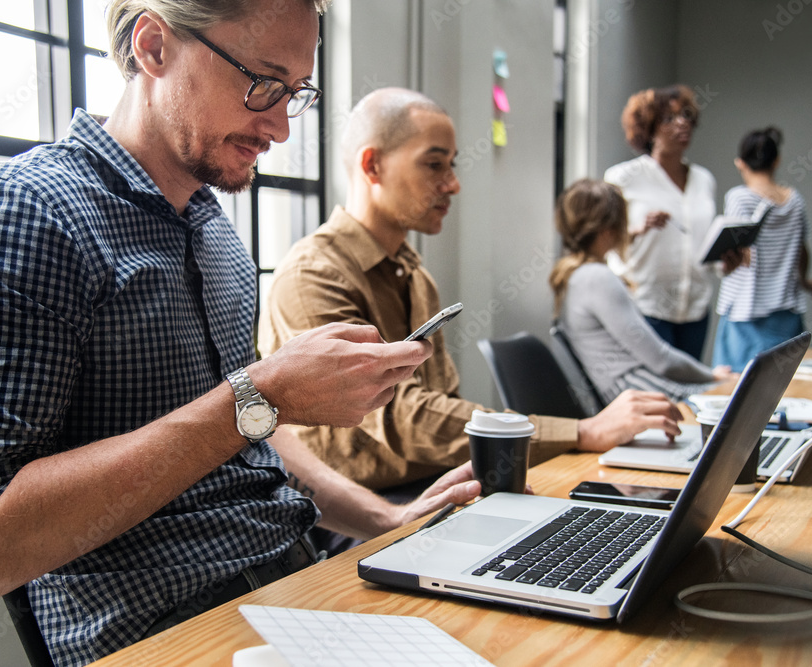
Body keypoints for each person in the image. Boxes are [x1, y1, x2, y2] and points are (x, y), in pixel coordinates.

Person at [0, 3, 482, 665]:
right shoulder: (21, 218)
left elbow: (256, 427)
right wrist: (256, 396)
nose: (280, 127)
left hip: (294, 583)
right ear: (153, 47)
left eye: (294, 93)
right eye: (261, 81)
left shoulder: (214, 233)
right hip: (165, 630)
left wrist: (384, 519)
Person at [258, 88, 683, 543]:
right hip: (355, 517)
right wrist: (581, 430)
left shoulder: (416, 275)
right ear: (372, 165)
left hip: (432, 487)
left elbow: (442, 405)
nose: (453, 183)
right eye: (434, 164)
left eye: (453, 165)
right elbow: (404, 418)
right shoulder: (312, 277)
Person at [550, 179, 732, 403]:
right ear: (609, 231)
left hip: (635, 391)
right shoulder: (597, 278)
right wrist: (714, 376)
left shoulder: (576, 275)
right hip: (640, 394)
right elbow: (662, 360)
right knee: (741, 400)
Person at [604, 84, 716, 360]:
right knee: (655, 394)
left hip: (695, 307)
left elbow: (702, 242)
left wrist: (727, 258)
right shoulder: (622, 178)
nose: (682, 123)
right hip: (646, 307)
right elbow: (603, 239)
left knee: (688, 393)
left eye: (687, 116)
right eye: (669, 118)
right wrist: (638, 228)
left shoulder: (704, 180)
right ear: (649, 129)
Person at [712, 127, 812, 372]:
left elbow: (735, 251)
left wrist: (722, 265)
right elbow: (802, 251)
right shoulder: (795, 200)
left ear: (740, 163)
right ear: (776, 161)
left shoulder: (740, 198)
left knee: (736, 390)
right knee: (783, 385)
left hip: (745, 312)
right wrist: (803, 281)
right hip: (786, 310)